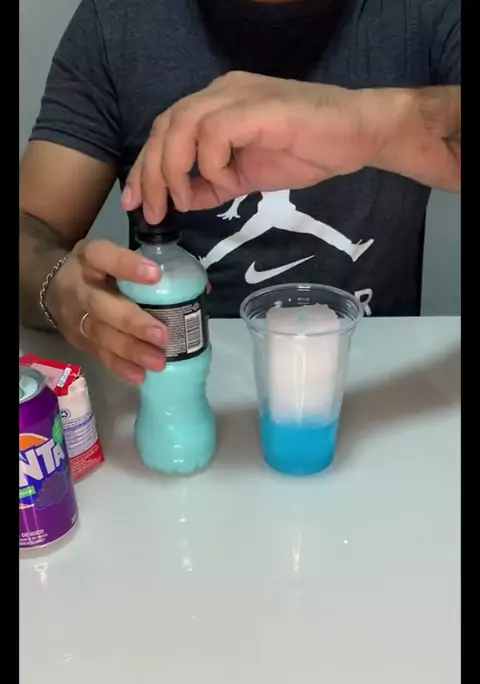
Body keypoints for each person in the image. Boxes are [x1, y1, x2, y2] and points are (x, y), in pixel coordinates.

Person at [19, 0, 461, 385]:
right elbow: (30, 225)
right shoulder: (118, 18)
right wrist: (55, 287)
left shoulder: (427, 9)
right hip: (181, 382)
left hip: (383, 386)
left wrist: (370, 125)